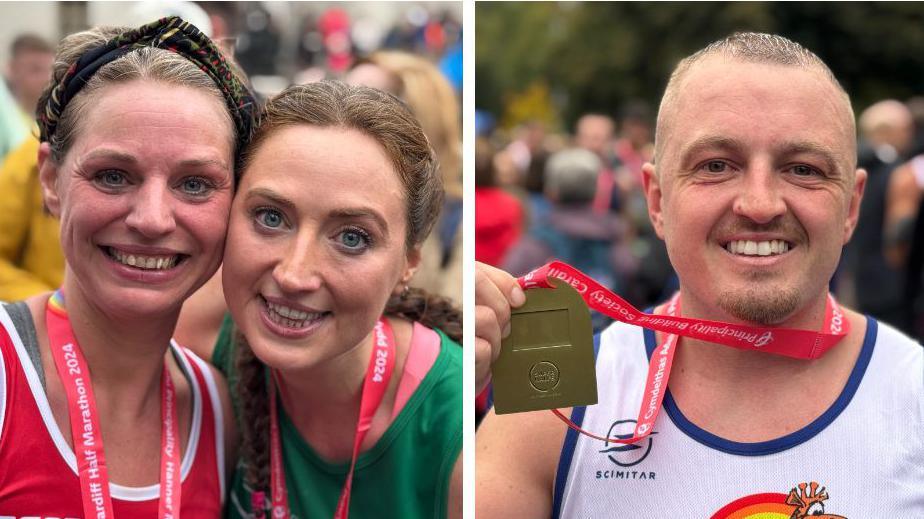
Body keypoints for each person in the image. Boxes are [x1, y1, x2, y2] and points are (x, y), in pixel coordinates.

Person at [476, 32, 923, 517]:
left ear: (852, 207)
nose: (759, 205)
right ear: (658, 200)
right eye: (715, 165)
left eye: (804, 169)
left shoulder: (914, 397)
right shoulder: (556, 410)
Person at [0, 17, 253, 516]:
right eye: (113, 176)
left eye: (195, 184)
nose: (153, 220)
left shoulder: (219, 412)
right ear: (50, 179)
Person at [198, 81, 462, 518]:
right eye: (270, 217)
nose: (294, 274)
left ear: (408, 262)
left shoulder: (457, 432)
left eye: (352, 238)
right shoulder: (197, 336)